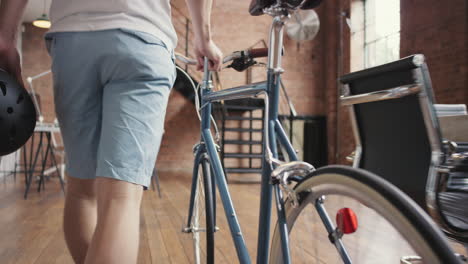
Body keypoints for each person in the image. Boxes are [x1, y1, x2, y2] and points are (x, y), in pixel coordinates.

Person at [0, 0, 222, 263]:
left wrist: (5, 37)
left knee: (81, 190)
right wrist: (203, 37)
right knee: (121, 198)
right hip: (141, 36)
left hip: (73, 41)